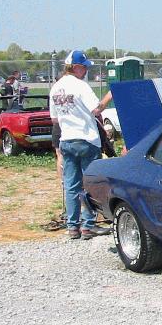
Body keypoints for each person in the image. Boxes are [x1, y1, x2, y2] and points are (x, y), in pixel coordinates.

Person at [49, 50, 111, 240]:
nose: (86, 71)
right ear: (75, 67)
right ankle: (88, 225)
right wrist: (110, 96)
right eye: (84, 67)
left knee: (71, 185)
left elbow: (54, 119)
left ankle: (72, 227)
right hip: (86, 139)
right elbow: (96, 109)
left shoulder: (55, 88)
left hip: (67, 140)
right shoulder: (81, 86)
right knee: (90, 184)